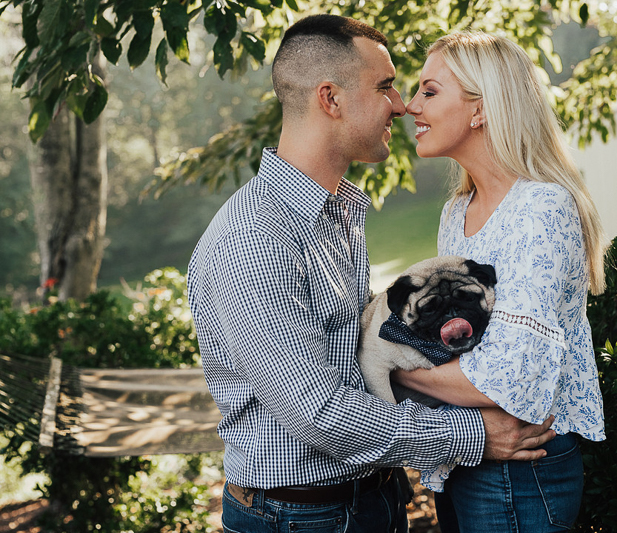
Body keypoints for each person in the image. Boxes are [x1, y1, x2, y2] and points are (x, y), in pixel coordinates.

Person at [187, 16, 556, 533]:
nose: (401, 105)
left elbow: (362, 356)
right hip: (301, 517)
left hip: (372, 500)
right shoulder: (255, 239)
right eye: (385, 86)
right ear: (330, 99)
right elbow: (318, 415)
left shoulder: (334, 214)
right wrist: (472, 434)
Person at [395, 31, 608, 532]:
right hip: (463, 457)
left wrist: (393, 369)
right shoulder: (456, 212)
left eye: (429, 91)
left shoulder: (542, 208)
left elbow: (507, 379)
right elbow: (444, 343)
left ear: (481, 108)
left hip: (520, 470)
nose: (409, 105)